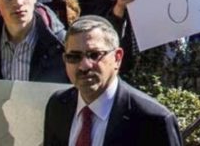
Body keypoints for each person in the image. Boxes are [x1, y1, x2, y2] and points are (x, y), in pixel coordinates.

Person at [43, 15, 183, 146]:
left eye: (94, 55)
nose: (84, 66)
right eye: (74, 57)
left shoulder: (153, 121)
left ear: (117, 58)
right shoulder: (58, 106)